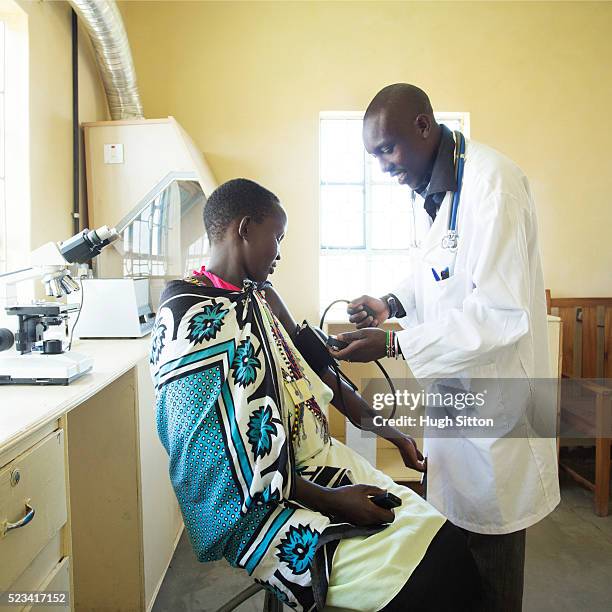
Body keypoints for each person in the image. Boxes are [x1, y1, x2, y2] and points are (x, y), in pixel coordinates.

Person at [150, 178, 481, 611]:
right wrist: (334, 501)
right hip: (257, 506)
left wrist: (395, 436)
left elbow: (324, 374)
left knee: (448, 548)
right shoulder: (189, 318)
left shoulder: (261, 297)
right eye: (277, 237)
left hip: (315, 464)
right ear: (246, 229)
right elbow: (216, 464)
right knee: (427, 583)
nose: (280, 253)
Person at [331, 84, 560, 611]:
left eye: (387, 149)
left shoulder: (492, 185)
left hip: (500, 412)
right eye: (374, 156)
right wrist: (391, 303)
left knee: (494, 558)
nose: (385, 166)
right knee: (460, 553)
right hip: (460, 405)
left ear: (422, 126)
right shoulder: (434, 191)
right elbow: (436, 278)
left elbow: (501, 315)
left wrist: (393, 346)